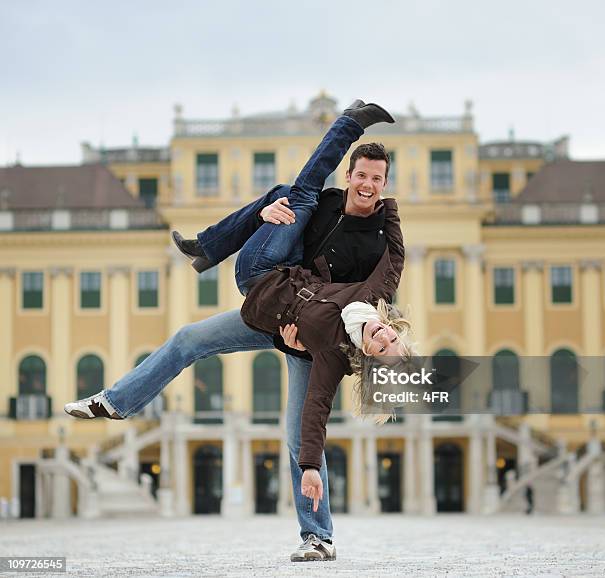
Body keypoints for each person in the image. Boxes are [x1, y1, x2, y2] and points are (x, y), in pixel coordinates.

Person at [65, 100, 401, 562]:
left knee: (298, 437)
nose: (366, 184)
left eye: (376, 179)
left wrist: (341, 338)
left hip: (311, 339)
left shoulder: (379, 235)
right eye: (361, 175)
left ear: (384, 186)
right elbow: (315, 174)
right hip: (272, 303)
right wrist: (269, 221)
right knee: (193, 330)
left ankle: (317, 536)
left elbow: (381, 292)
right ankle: (117, 402)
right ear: (350, 176)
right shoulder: (321, 203)